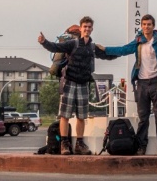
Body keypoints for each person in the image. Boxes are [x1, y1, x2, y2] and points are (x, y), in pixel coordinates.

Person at [101, 14, 157, 156]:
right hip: (141, 83)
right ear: (141, 26)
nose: (146, 27)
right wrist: (105, 49)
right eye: (144, 24)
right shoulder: (138, 42)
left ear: (153, 26)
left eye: (149, 24)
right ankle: (141, 146)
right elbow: (123, 50)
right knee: (143, 118)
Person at [38, 16, 106, 155]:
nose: (87, 29)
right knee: (65, 115)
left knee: (82, 116)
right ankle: (64, 144)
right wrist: (44, 42)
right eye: (84, 27)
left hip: (83, 83)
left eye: (89, 27)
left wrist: (125, 50)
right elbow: (55, 47)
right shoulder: (72, 44)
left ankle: (79, 144)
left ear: (92, 29)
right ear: (81, 28)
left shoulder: (93, 47)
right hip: (69, 82)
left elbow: (108, 55)